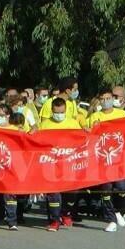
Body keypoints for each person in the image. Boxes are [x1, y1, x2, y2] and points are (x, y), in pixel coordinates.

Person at [88, 91, 125, 232]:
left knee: (122, 188)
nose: (105, 101)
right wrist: (90, 128)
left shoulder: (122, 114)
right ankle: (111, 219)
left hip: (119, 159)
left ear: (113, 99)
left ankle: (119, 210)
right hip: (102, 160)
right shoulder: (95, 116)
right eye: (102, 99)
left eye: (108, 98)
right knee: (106, 189)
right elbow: (89, 137)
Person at [38, 97, 82, 232]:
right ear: (52, 111)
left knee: (71, 193)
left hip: (69, 164)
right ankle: (54, 220)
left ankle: (65, 213)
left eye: (62, 112)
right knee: (53, 194)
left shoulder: (73, 123)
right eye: (56, 112)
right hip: (50, 164)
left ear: (66, 110)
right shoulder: (45, 124)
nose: (59, 115)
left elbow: (81, 141)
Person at [0, 104, 20, 230]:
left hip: (11, 167)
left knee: (10, 195)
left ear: (8, 116)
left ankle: (12, 221)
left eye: (2, 115)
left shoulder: (15, 130)